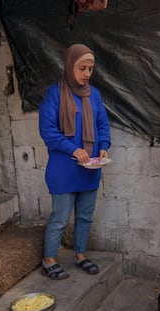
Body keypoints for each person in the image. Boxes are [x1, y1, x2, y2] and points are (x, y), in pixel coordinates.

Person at [38, 43, 111, 280]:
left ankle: (80, 255)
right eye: (82, 68)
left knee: (85, 217)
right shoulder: (55, 94)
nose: (87, 73)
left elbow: (102, 126)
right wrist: (73, 149)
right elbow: (48, 130)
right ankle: (49, 259)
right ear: (70, 66)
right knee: (60, 218)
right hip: (64, 170)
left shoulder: (95, 95)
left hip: (90, 169)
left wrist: (103, 148)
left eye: (90, 69)